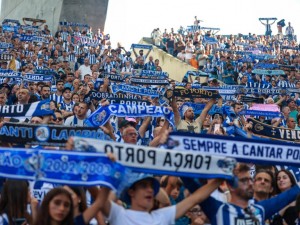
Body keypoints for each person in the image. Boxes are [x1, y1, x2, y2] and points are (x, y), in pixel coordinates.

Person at [183, 164, 300, 225]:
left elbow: (290, 194)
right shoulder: (218, 209)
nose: (250, 184)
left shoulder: (260, 209)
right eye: (244, 180)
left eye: (250, 180)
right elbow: (191, 183)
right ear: (230, 186)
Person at [98, 172, 223, 225]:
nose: (150, 190)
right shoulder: (119, 214)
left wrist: (220, 179)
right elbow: (101, 201)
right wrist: (118, 175)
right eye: (143, 186)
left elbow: (195, 198)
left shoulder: (161, 216)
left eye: (152, 187)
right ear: (131, 192)